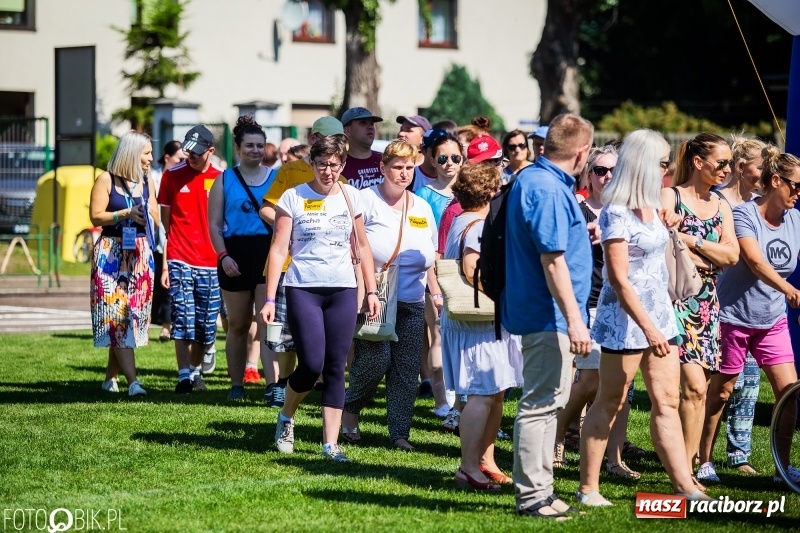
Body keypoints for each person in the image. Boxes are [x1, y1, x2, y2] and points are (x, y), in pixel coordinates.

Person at [580, 129, 711, 507]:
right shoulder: (616, 211)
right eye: (661, 162)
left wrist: (668, 223)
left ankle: (683, 485)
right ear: (643, 164)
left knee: (667, 400)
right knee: (610, 400)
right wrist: (649, 328)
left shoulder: (655, 204)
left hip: (659, 314)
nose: (667, 168)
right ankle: (588, 487)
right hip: (624, 320)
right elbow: (618, 279)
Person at [262, 135, 381, 462]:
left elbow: (363, 246)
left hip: (343, 289)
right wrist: (270, 298)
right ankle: (286, 416)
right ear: (311, 164)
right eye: (322, 164)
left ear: (342, 165)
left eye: (335, 165)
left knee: (334, 367)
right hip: (303, 288)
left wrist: (370, 290)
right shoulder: (293, 197)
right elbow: (278, 249)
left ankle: (330, 443)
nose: (328, 171)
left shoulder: (351, 195)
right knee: (311, 363)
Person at [503, 113, 595, 519]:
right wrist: (575, 320)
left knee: (550, 403)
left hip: (546, 313)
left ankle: (542, 490)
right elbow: (552, 260)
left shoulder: (539, 180)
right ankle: (533, 496)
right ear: (582, 152)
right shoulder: (547, 188)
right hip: (548, 315)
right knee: (540, 405)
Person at [699, 146, 800, 485]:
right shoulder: (743, 215)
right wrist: (788, 290)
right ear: (776, 180)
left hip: (772, 320)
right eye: (796, 186)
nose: (799, 194)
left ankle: (781, 469)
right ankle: (703, 460)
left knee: (788, 391)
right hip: (733, 317)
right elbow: (756, 262)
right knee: (723, 391)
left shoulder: (796, 220)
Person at [552, 144, 642, 480]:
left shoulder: (630, 211)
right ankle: (560, 432)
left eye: (613, 171)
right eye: (600, 170)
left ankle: (614, 459)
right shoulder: (576, 208)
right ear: (588, 175)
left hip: (622, 306)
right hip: (587, 303)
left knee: (622, 388)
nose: (606, 176)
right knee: (591, 380)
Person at [341, 139, 438, 451]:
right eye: (397, 166)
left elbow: (431, 256)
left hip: (412, 298)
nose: (404, 173)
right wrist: (365, 286)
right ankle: (350, 411)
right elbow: (352, 246)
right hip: (377, 294)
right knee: (375, 361)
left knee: (407, 369)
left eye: (409, 167)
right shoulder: (365, 200)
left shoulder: (421, 206)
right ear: (382, 168)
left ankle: (399, 433)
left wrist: (435, 293)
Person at [663, 133, 739, 486]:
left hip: (707, 300)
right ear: (698, 162)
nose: (727, 169)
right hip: (675, 298)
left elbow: (733, 256)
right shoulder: (671, 197)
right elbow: (664, 244)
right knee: (693, 385)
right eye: (721, 162)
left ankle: (689, 463)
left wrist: (692, 241)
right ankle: (686, 471)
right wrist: (709, 251)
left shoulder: (721, 204)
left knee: (700, 389)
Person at [442, 163, 523, 490]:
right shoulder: (477, 225)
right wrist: (504, 288)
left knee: (494, 392)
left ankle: (485, 461)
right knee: (482, 393)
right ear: (490, 192)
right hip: (479, 322)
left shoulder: (463, 219)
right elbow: (472, 268)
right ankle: (468, 468)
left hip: (480, 322)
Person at [258, 116, 348, 407]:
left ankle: (310, 383)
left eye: (339, 140)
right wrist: (295, 227)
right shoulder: (289, 172)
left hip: (329, 276)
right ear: (313, 141)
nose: (328, 169)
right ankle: (280, 383)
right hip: (288, 268)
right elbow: (266, 210)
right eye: (327, 139)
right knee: (281, 334)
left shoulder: (344, 184)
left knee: (317, 343)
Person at [208, 115, 274, 401]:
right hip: (234, 254)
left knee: (267, 321)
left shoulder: (276, 177)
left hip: (267, 253)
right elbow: (214, 224)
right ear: (237, 147)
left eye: (260, 145)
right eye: (250, 145)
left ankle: (274, 386)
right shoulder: (223, 180)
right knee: (237, 324)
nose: (256, 150)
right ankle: (236, 385)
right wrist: (223, 256)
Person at [89, 130, 158, 397]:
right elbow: (96, 217)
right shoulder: (106, 179)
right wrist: (125, 213)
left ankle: (110, 379)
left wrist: (150, 215)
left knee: (130, 317)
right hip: (111, 254)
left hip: (139, 253)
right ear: (131, 153)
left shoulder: (147, 180)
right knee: (116, 316)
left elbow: (155, 214)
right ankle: (133, 382)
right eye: (146, 153)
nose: (150, 158)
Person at [714, 135, 765, 474]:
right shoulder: (717, 201)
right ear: (742, 167)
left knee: (749, 382)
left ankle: (739, 453)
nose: (768, 172)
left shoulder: (763, 203)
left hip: (752, 305)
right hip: (716, 304)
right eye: (763, 166)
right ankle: (696, 453)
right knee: (715, 386)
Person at [158, 125, 222, 393]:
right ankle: (184, 375)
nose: (191, 157)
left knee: (206, 326)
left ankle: (195, 371)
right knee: (183, 318)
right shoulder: (171, 176)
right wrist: (169, 257)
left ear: (210, 151)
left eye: (197, 152)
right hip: (180, 257)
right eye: (188, 151)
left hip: (212, 261)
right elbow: (166, 219)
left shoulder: (222, 178)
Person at [415, 131, 463, 417]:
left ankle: (460, 396)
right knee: (438, 333)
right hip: (434, 270)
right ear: (432, 159)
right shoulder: (423, 194)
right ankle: (441, 402)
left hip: (466, 272)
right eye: (442, 158)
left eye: (455, 157)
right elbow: (425, 242)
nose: (449, 163)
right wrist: (433, 283)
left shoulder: (469, 190)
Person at [151, 140, 185, 342]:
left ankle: (167, 326)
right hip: (152, 239)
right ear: (167, 158)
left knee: (169, 286)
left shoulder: (180, 178)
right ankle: (147, 325)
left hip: (169, 237)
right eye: (180, 158)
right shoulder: (154, 177)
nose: (183, 162)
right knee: (154, 284)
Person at [340, 107, 384, 189]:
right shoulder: (337, 164)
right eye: (363, 123)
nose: (370, 127)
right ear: (348, 130)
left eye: (371, 124)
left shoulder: (385, 160)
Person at [396, 114, 435, 191]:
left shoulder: (434, 171)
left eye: (408, 130)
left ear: (423, 138)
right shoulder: (389, 164)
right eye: (401, 129)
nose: (401, 134)